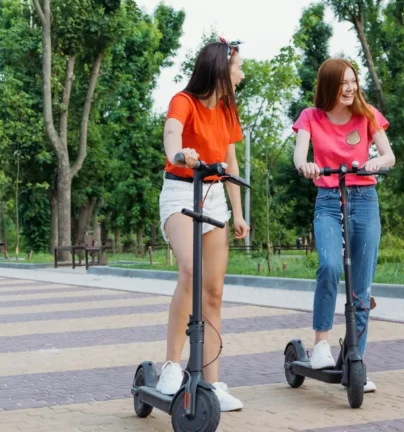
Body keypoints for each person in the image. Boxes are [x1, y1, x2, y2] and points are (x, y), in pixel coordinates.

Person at [156, 38, 250, 412]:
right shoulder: (184, 100)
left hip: (213, 194)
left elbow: (232, 165)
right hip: (181, 190)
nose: (242, 74)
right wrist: (179, 154)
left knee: (212, 293)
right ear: (220, 70)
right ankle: (170, 367)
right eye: (238, 67)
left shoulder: (228, 110)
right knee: (190, 272)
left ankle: (211, 383)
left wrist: (238, 212)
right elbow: (171, 134)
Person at [292, 58, 395, 393]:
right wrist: (307, 166)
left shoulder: (367, 114)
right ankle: (321, 341)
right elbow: (299, 155)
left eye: (354, 81)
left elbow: (388, 155)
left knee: (361, 287)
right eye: (343, 83)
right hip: (328, 201)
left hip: (364, 199)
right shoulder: (311, 116)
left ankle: (356, 361)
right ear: (329, 85)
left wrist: (376, 162)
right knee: (330, 266)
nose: (350, 88)